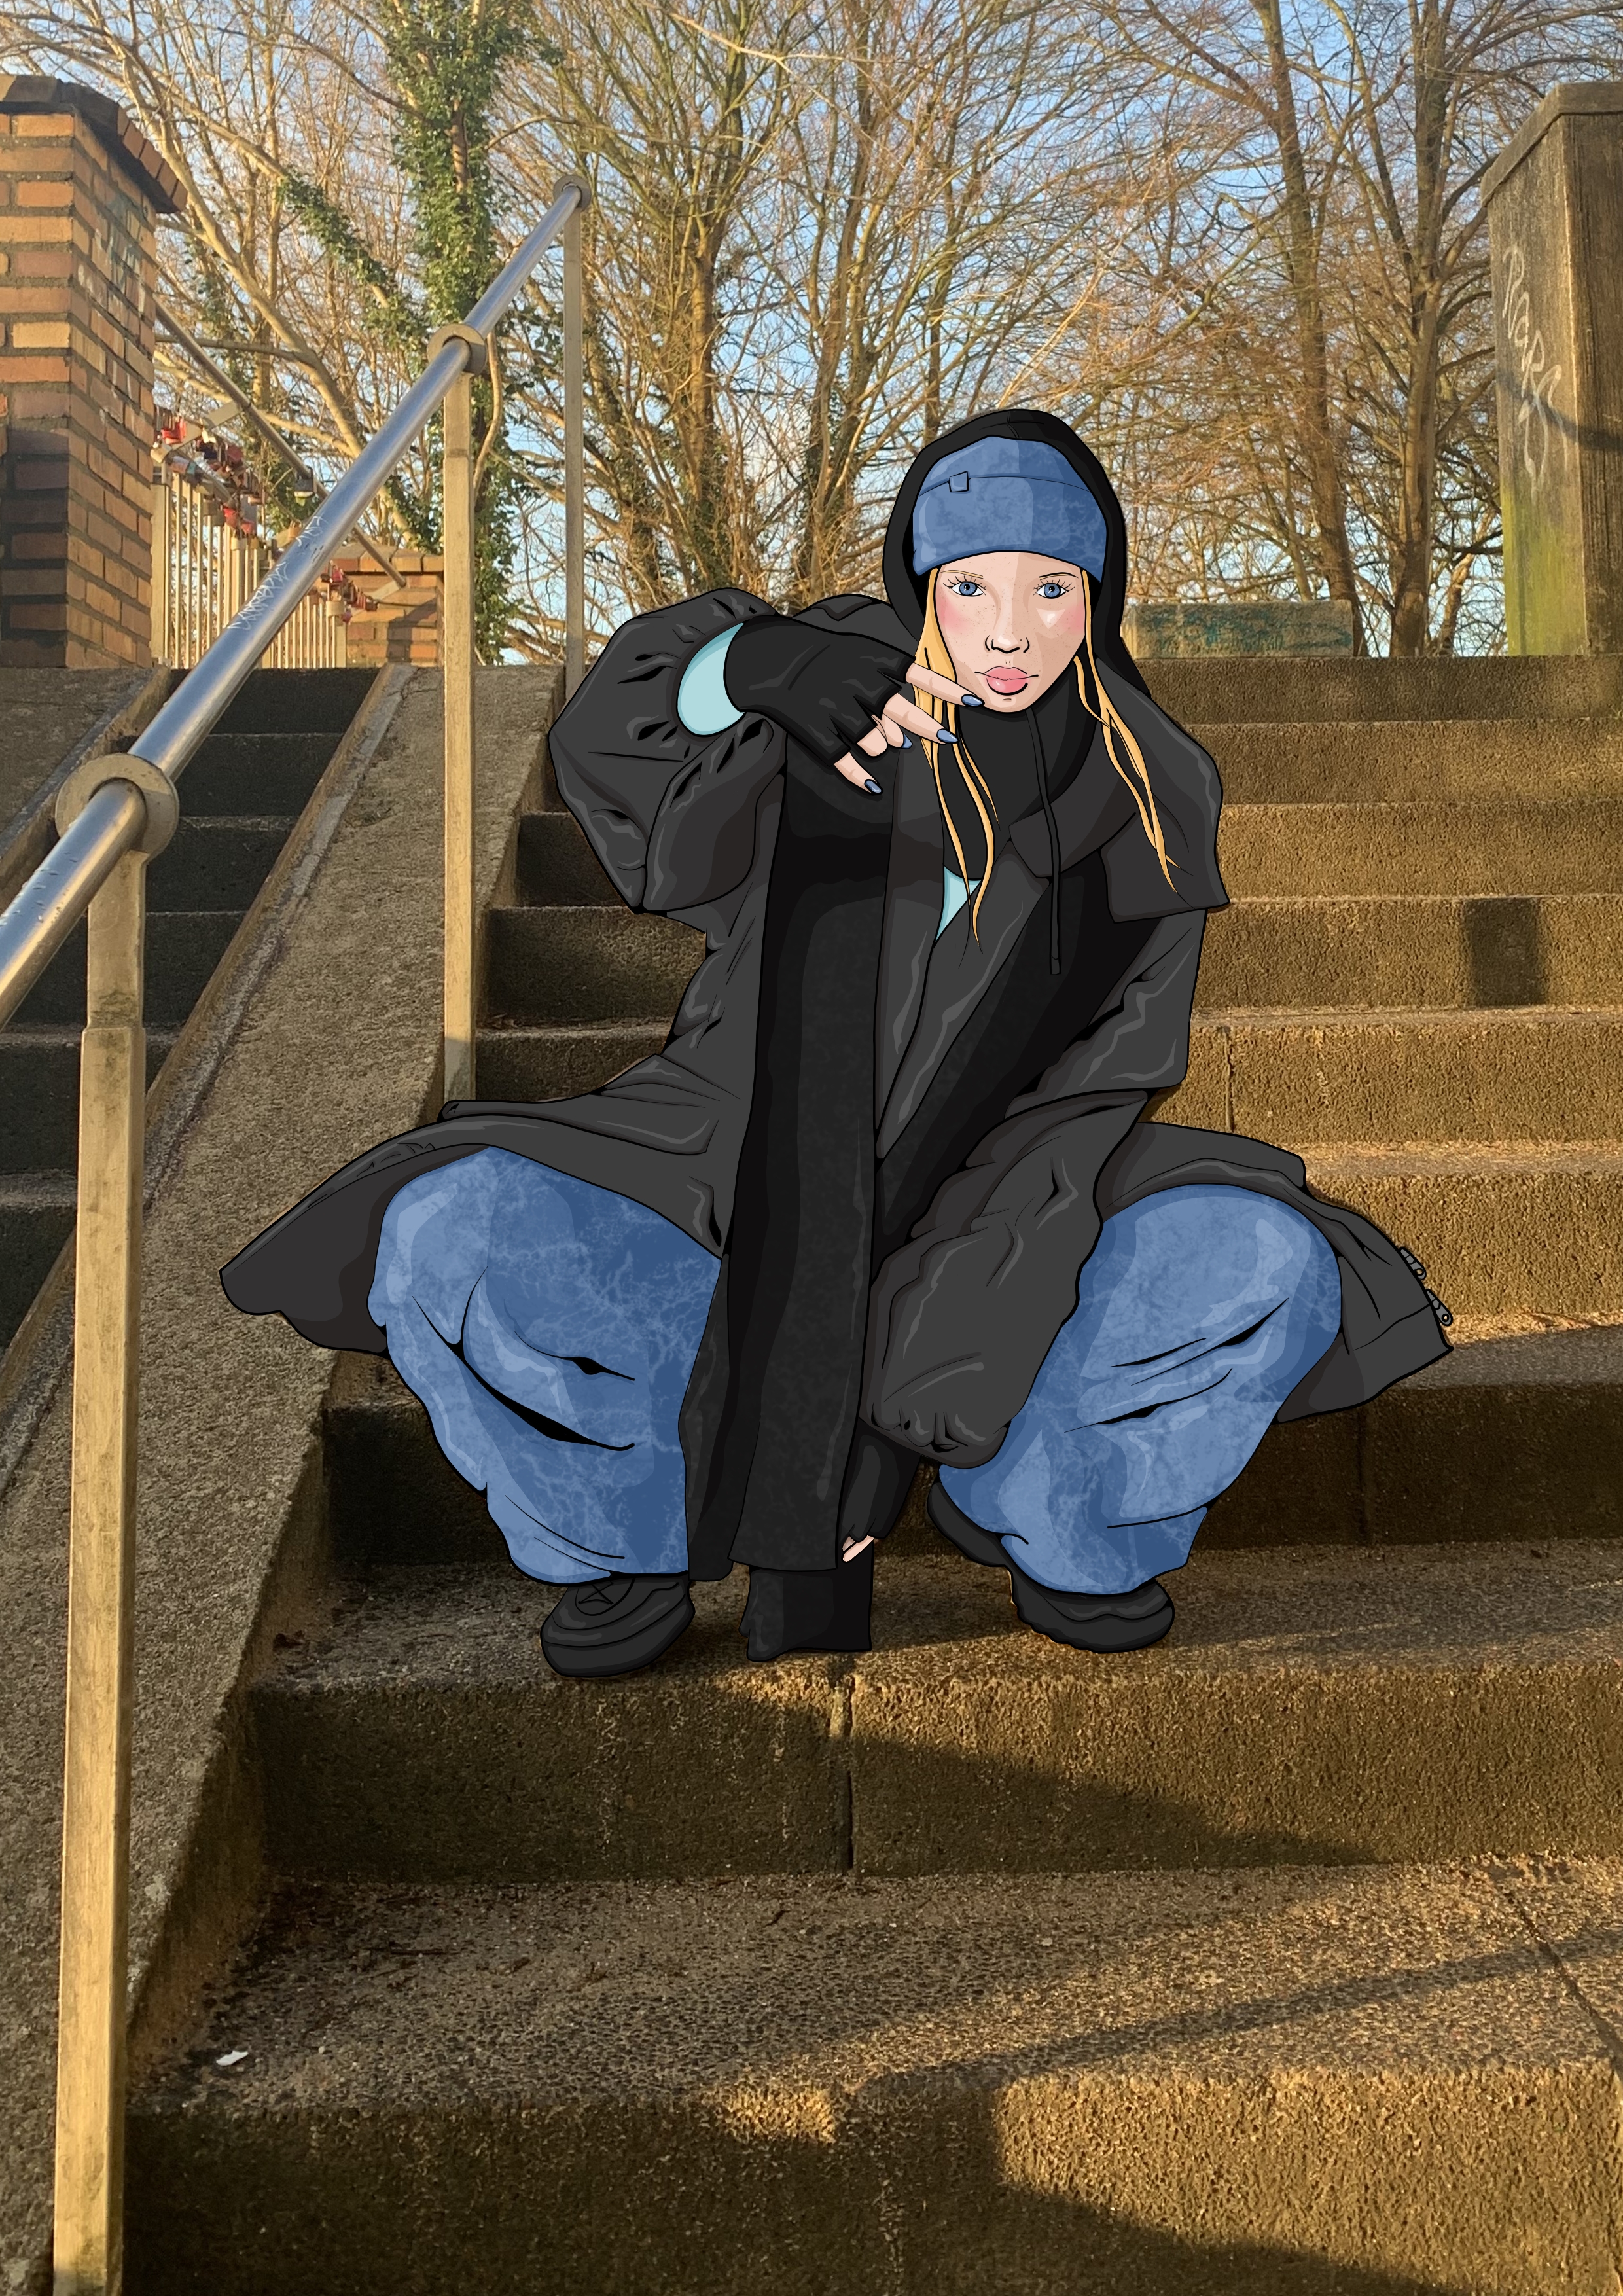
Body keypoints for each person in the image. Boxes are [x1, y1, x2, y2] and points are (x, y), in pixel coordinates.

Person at [222, 409, 1451, 1677]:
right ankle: (629, 1529)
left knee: (1267, 1261)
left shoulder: (1150, 788)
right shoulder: (838, 689)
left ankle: (1054, 1504)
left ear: (1098, 598)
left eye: (1050, 588)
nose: (1010, 631)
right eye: (970, 587)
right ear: (921, 586)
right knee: (446, 1230)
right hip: (723, 1184)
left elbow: (1094, 1090)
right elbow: (619, 772)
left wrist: (881, 1390)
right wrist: (746, 670)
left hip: (1020, 1224)